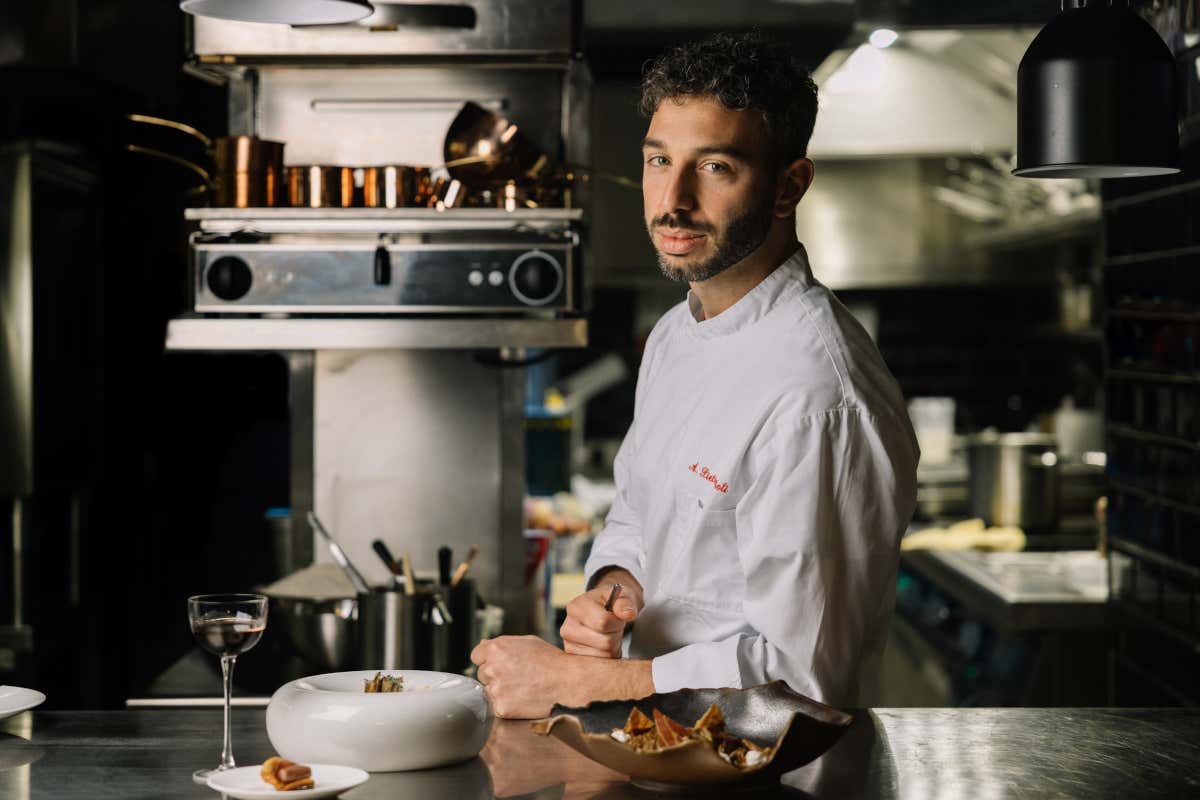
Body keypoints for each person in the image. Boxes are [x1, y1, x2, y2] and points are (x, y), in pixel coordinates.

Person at [471, 30, 919, 719]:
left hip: (776, 778)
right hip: (668, 751)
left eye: (715, 167)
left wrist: (578, 681)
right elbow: (640, 510)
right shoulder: (678, 334)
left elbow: (803, 673)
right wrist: (613, 590)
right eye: (658, 160)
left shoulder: (816, 392)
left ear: (786, 187)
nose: (672, 200)